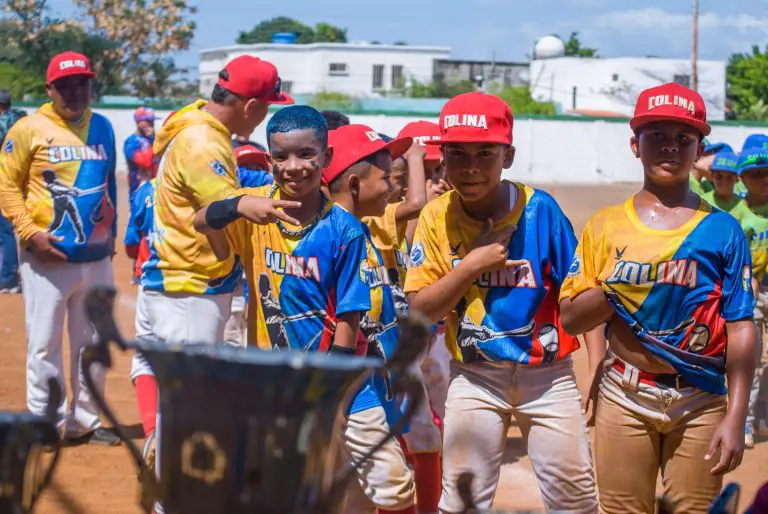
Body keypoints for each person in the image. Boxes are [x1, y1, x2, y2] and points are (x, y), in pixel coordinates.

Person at [559, 83, 756, 513]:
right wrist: (619, 288)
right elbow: (571, 318)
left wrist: (736, 413)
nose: (670, 147)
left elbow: (741, 324)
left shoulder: (722, 230)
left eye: (683, 139)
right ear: (635, 144)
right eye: (657, 136)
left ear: (700, 147)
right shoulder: (606, 226)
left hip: (702, 400)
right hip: (624, 395)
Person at [404, 92, 598, 513]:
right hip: (475, 377)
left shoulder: (539, 210)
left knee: (574, 497)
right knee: (461, 499)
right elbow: (421, 311)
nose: (471, 167)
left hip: (547, 377)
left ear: (507, 156)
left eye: (485, 153)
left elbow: (579, 294)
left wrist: (598, 364)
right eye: (457, 153)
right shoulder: (437, 217)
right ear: (442, 158)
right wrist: (471, 265)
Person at [132, 55, 293, 472]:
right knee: (191, 406)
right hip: (190, 287)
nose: (261, 120)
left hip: (174, 280)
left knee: (183, 402)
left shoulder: (193, 121)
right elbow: (224, 208)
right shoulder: (204, 141)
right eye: (266, 109)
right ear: (251, 105)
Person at [0, 51, 119, 445]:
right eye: (64, 85)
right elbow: (6, 186)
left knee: (93, 343)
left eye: (81, 83)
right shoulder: (28, 129)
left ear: (91, 84)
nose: (74, 92)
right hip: (47, 258)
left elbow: (108, 186)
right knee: (44, 344)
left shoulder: (103, 127)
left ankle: (85, 419)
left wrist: (111, 234)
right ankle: (45, 424)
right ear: (49, 88)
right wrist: (29, 233)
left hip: (96, 258)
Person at [323, 123, 421, 514]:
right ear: (353, 182)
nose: (392, 187)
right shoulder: (330, 234)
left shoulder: (361, 230)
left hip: (375, 376)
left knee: (358, 496)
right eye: (384, 178)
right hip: (347, 382)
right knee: (392, 486)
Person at [222, 143, 275, 347]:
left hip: (257, 278)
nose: (250, 172)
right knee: (232, 331)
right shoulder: (230, 198)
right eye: (244, 167)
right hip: (233, 280)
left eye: (256, 167)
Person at [736, 146, 768, 449]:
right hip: (753, 291)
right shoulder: (738, 215)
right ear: (742, 177)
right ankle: (744, 419)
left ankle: (762, 415)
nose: (764, 178)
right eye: (756, 173)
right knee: (752, 360)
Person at [0, 88, 26, 293]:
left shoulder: (3, 124)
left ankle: (8, 278)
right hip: (23, 181)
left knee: (5, 231)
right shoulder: (22, 120)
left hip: (6, 182)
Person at [700, 147, 748, 216]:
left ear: (737, 178)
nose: (724, 182)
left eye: (730, 177)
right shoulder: (702, 202)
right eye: (719, 177)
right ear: (712, 175)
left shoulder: (744, 204)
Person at [124, 106, 156, 200]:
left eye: (152, 121)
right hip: (138, 193)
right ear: (139, 121)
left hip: (155, 190)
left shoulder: (153, 139)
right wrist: (154, 142)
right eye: (148, 121)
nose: (152, 124)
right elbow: (145, 162)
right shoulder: (131, 142)